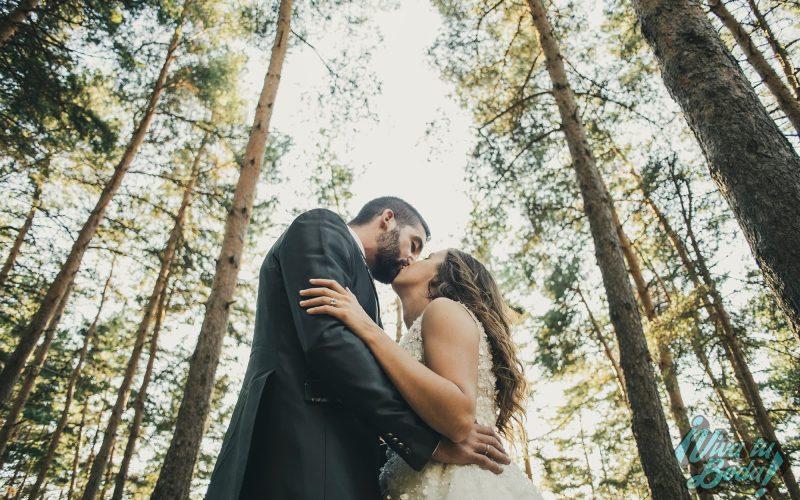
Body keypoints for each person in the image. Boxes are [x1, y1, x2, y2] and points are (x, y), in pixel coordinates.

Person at [205, 197, 510, 500]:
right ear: (387, 218)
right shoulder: (323, 227)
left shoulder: (384, 301)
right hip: (299, 446)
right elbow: (329, 342)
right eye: (414, 244)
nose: (413, 258)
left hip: (344, 462)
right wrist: (425, 443)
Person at [299, 248, 546, 499]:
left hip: (456, 483)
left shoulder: (444, 309)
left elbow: (458, 418)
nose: (411, 259)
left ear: (445, 276)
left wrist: (366, 326)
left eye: (428, 257)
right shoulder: (431, 325)